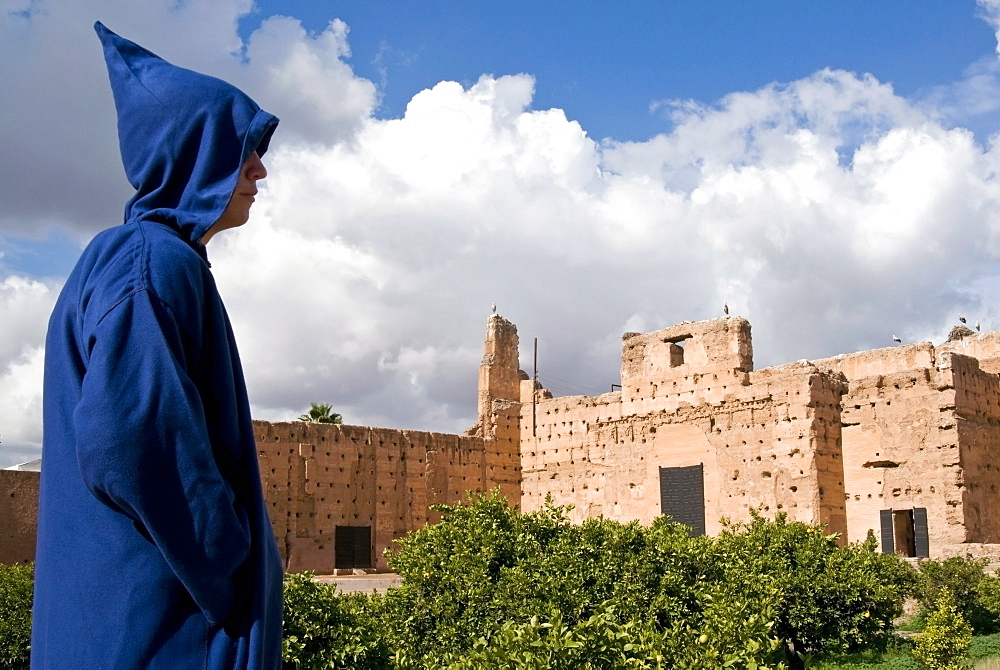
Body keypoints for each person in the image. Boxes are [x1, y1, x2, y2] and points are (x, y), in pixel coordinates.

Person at [31, 22, 283, 669]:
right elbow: (128, 437)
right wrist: (225, 559)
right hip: (156, 640)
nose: (260, 168)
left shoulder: (149, 262)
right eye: (241, 150)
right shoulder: (150, 264)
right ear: (192, 156)